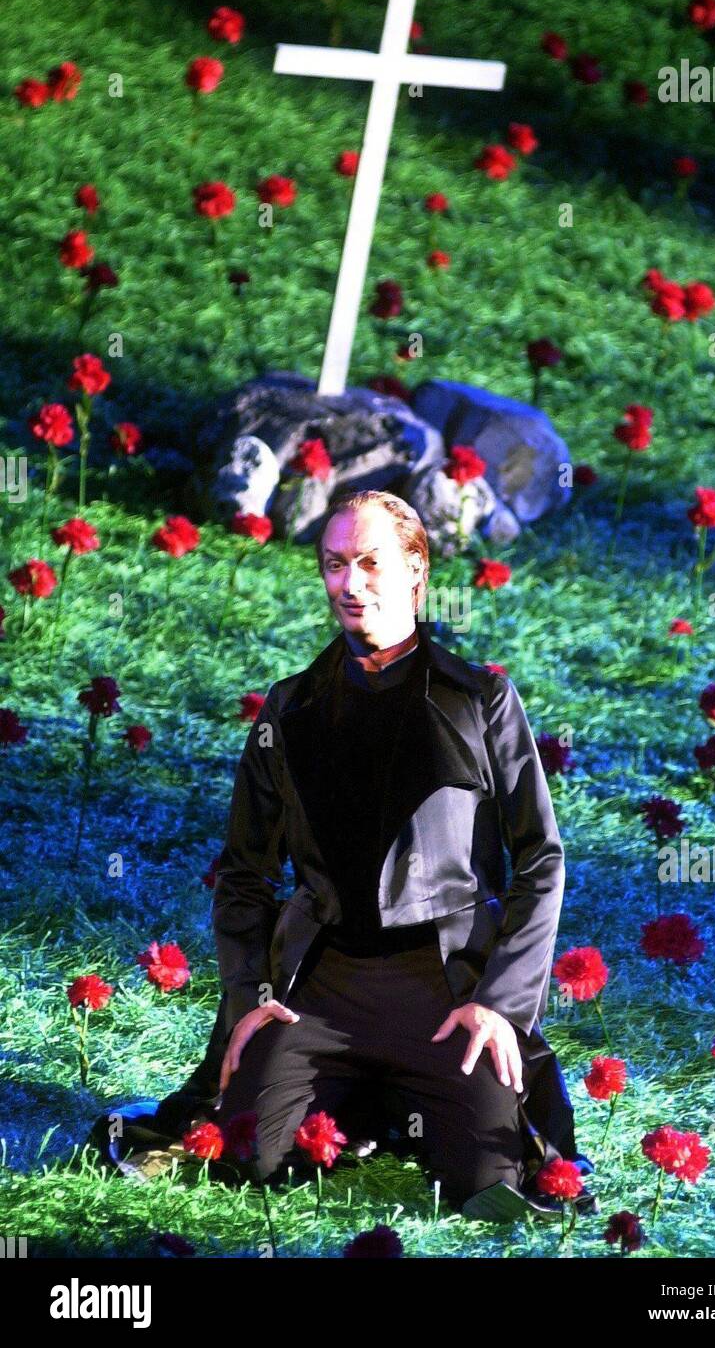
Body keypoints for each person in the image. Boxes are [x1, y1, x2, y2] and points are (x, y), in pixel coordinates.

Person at [102, 489, 597, 1221]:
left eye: (370, 562)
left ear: (415, 572)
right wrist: (248, 1001)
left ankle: (394, 1103)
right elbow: (244, 872)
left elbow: (540, 860)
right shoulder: (289, 708)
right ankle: (365, 1098)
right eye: (335, 564)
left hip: (442, 987)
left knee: (487, 1183)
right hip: (321, 987)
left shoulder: (481, 700)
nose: (350, 582)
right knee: (248, 1154)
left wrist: (499, 1005)